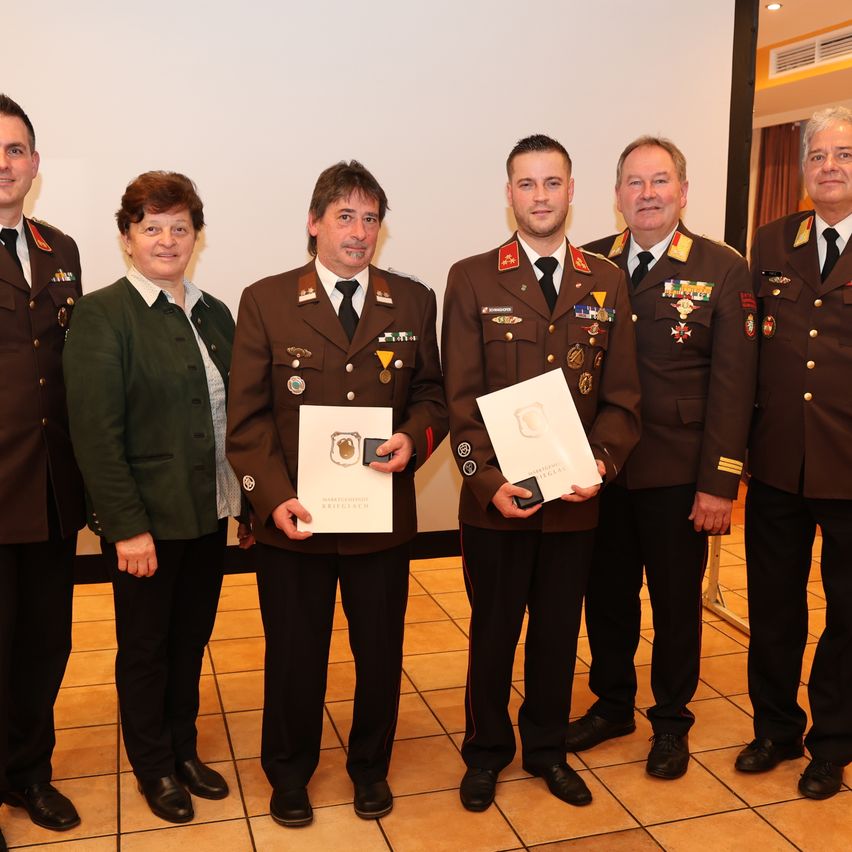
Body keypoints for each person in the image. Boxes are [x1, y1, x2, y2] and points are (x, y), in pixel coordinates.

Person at [226, 160, 447, 827]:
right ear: (314, 222)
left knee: (380, 653)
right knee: (295, 653)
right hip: (295, 519)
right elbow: (248, 419)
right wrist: (272, 498)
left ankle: (369, 767)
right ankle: (289, 773)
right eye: (344, 217)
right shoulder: (265, 300)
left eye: (371, 218)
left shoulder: (412, 302)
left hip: (381, 518)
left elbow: (432, 394)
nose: (358, 232)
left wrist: (414, 438)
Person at [442, 134, 641, 811]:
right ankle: (486, 751)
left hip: (575, 502)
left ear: (572, 190)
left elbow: (623, 398)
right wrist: (486, 482)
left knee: (558, 636)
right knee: (494, 634)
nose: (540, 196)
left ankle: (547, 750)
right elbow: (459, 402)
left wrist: (603, 466)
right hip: (494, 504)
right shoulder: (471, 277)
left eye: (552, 183)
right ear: (509, 195)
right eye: (527, 184)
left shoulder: (606, 280)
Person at [62, 171, 251, 824]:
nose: (167, 240)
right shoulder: (102, 315)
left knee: (190, 640)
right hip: (146, 525)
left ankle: (182, 747)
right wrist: (126, 528)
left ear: (197, 235)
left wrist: (246, 504)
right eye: (151, 227)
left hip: (208, 515)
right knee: (146, 650)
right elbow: (95, 433)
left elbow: (240, 421)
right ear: (126, 237)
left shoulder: (216, 313)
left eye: (180, 227)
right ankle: (153, 765)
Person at [567, 137, 757, 779]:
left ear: (682, 190)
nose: (646, 194)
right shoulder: (588, 260)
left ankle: (671, 721)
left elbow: (735, 385)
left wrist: (720, 484)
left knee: (676, 605)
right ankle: (612, 703)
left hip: (678, 473)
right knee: (608, 595)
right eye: (634, 182)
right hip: (599, 469)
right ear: (617, 193)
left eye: (660, 181)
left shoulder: (722, 267)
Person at [738, 106, 852, 799]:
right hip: (778, 462)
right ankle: (776, 728)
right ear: (803, 168)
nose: (831, 166)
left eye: (845, 154)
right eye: (819, 156)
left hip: (850, 467)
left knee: (847, 616)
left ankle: (832, 742)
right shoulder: (773, 240)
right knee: (774, 609)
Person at [0, 94, 84, 840]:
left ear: (35, 164)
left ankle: (29, 772)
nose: (4, 162)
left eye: (16, 148)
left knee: (45, 643)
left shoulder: (62, 251)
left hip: (54, 493)